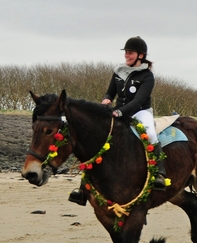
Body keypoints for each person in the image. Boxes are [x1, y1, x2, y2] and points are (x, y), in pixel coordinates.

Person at [69, 36, 168, 206]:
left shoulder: (147, 76)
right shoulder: (118, 72)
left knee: (150, 132)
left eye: (130, 53)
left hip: (140, 112)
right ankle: (83, 188)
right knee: (98, 138)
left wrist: (120, 112)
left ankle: (159, 173)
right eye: (126, 52)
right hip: (117, 111)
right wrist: (107, 100)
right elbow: (110, 93)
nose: (127, 55)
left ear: (140, 56)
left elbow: (138, 101)